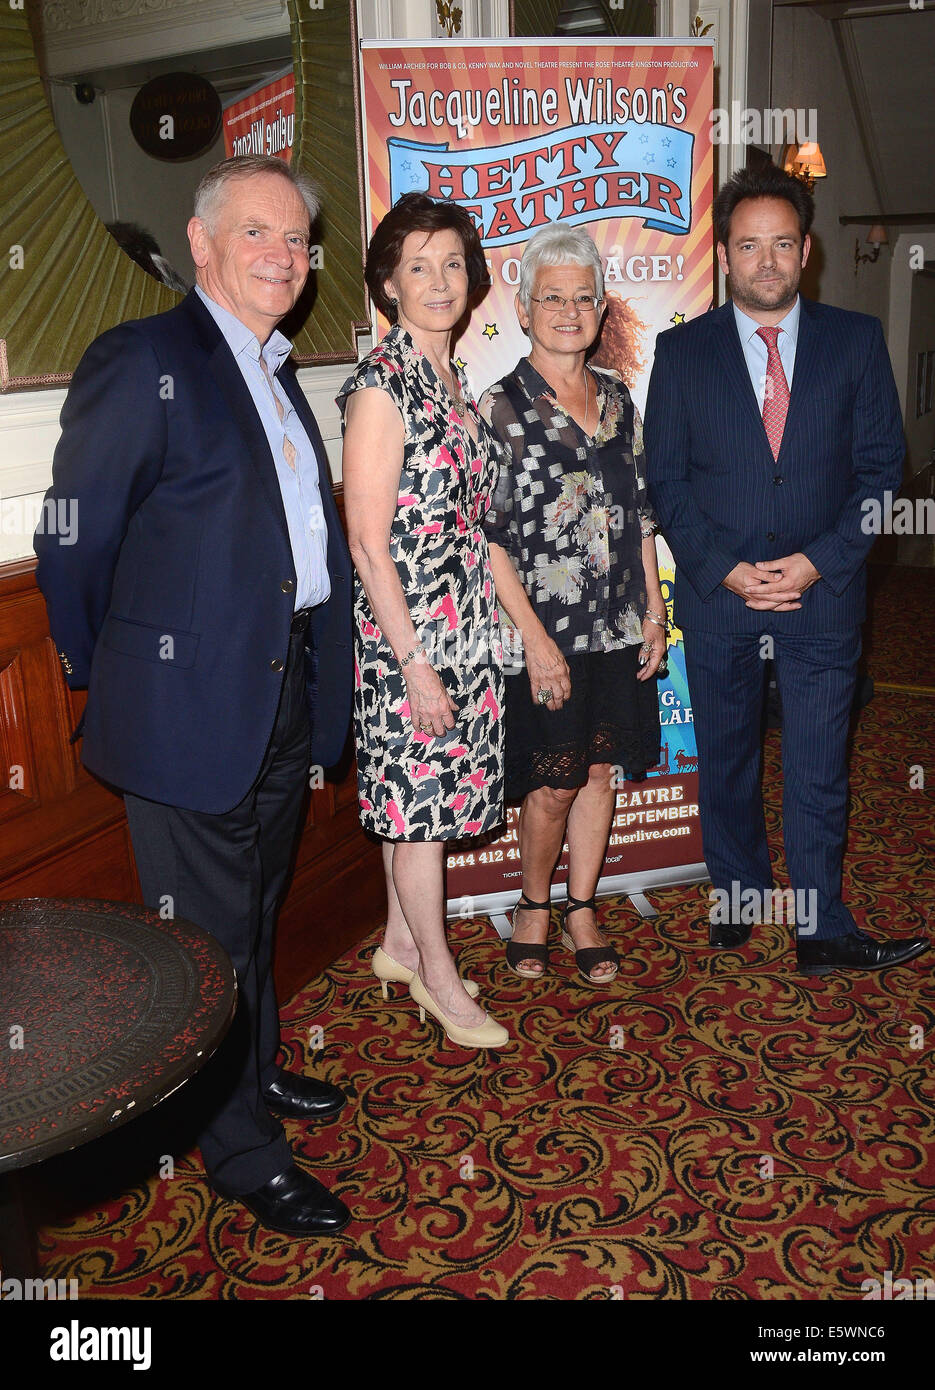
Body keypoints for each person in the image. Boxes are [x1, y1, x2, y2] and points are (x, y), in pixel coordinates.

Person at [34, 155, 355, 1236]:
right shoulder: (143, 359)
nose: (282, 254)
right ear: (202, 242)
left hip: (279, 698)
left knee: (255, 914)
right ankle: (242, 1156)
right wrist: (104, 672)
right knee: (208, 942)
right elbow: (72, 541)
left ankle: (253, 1074)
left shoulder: (273, 368)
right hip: (188, 714)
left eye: (295, 239)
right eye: (255, 233)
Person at [643, 163, 929, 976]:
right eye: (746, 246)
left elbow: (880, 475)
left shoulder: (854, 341)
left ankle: (821, 927)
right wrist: (727, 570)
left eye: (780, 244)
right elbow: (664, 479)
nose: (764, 261)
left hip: (824, 598)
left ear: (805, 251)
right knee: (726, 760)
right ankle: (736, 893)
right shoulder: (682, 352)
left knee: (816, 765)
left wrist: (816, 563)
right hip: (719, 598)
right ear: (724, 257)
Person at [338, 192, 509, 1049]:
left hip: (463, 625)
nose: (439, 280)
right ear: (387, 285)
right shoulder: (382, 384)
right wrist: (414, 663)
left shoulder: (451, 376)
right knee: (423, 813)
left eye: (452, 263)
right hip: (411, 636)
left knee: (419, 803)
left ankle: (403, 943)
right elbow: (368, 545)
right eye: (418, 266)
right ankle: (440, 983)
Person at [478, 224, 665, 987]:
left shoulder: (620, 399)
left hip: (621, 626)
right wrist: (536, 643)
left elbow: (643, 518)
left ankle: (581, 908)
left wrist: (655, 614)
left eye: (582, 297)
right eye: (550, 297)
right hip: (544, 636)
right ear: (523, 310)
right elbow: (488, 541)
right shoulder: (498, 407)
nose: (567, 310)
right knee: (553, 780)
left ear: (599, 310)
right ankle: (531, 907)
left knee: (597, 775)